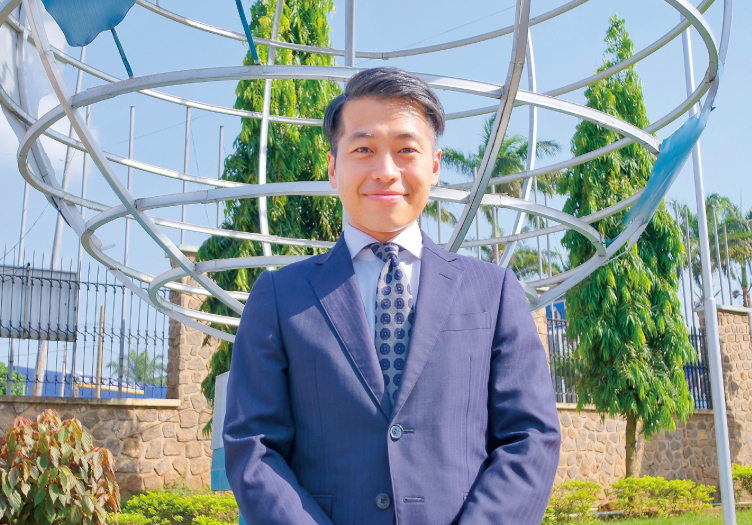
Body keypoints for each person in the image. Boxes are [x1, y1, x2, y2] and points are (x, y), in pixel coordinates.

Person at [223, 67, 561, 525]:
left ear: (434, 166)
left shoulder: (494, 292)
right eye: (363, 149)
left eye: (406, 150)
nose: (385, 171)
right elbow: (254, 448)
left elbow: (530, 437)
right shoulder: (280, 298)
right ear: (333, 168)